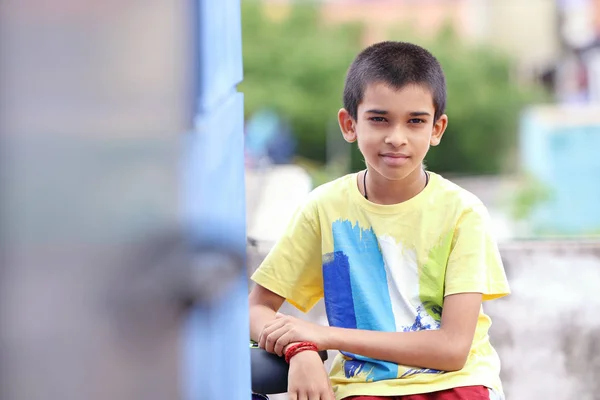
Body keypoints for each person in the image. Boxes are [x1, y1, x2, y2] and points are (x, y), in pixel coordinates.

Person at [248, 41, 510, 400]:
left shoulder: (463, 213)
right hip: (361, 390)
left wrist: (325, 337)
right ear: (349, 124)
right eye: (379, 119)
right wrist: (301, 351)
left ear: (436, 129)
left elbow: (452, 349)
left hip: (456, 386)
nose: (396, 137)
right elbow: (256, 307)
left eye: (415, 121)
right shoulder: (325, 209)